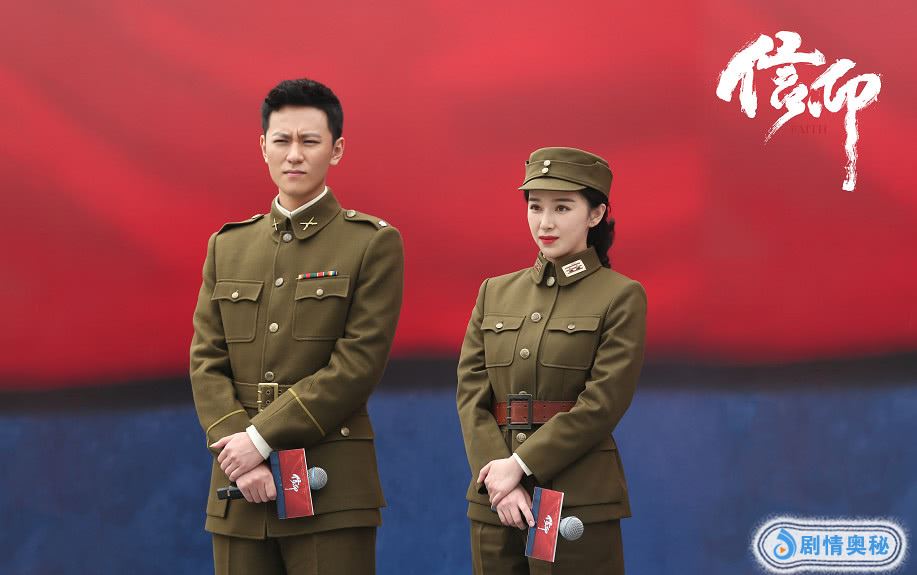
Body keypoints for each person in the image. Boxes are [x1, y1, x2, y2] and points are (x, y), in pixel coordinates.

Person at [189, 78, 403, 574]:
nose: (294, 155)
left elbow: (357, 366)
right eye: (282, 140)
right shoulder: (227, 246)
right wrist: (239, 452)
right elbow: (206, 361)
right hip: (238, 487)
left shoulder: (372, 243)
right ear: (263, 146)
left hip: (330, 486)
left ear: (337, 149)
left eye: (310, 141)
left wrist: (259, 439)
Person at [456, 147, 647, 574]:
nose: (545, 222)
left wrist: (520, 466)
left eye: (562, 208)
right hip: (496, 500)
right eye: (535, 206)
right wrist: (499, 479)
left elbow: (603, 403)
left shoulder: (621, 296)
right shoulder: (494, 292)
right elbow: (472, 396)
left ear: (595, 214)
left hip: (576, 499)